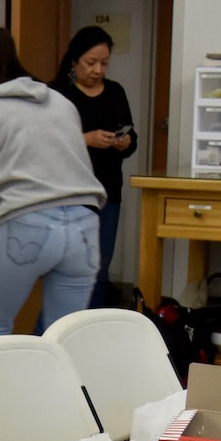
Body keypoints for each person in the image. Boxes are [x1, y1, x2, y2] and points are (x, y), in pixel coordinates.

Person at [0, 28, 105, 336]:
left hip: (26, 225)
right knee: (64, 336)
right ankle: (57, 385)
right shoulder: (61, 104)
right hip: (84, 226)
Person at [51, 25, 136, 310]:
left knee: (101, 267)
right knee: (69, 267)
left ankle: (92, 325)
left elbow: (133, 138)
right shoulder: (57, 93)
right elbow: (45, 142)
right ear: (75, 60)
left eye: (104, 63)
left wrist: (126, 142)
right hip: (68, 193)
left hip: (108, 191)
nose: (98, 70)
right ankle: (63, 326)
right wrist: (85, 139)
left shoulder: (115, 92)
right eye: (91, 63)